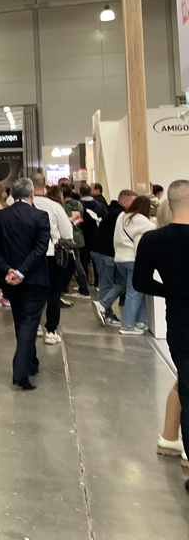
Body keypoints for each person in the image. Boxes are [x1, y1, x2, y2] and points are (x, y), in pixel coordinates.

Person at [133, 180, 189, 493]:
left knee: (185, 383)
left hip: (178, 321)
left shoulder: (153, 240)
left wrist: (172, 291)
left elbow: (141, 283)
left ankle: (173, 440)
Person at [0, 177, 51, 390]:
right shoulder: (40, 216)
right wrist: (21, 272)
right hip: (35, 278)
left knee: (20, 320)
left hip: (8, 279)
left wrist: (8, 269)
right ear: (32, 193)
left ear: (12, 194)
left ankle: (31, 362)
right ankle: (21, 373)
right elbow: (41, 249)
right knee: (29, 322)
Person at [32, 174, 74, 346]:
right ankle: (50, 330)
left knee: (33, 293)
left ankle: (34, 325)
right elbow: (67, 233)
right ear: (45, 186)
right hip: (51, 254)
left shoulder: (22, 206)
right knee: (53, 294)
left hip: (29, 256)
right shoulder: (55, 206)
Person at [93, 190, 138, 327]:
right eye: (134, 202)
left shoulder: (113, 211)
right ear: (124, 202)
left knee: (121, 282)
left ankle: (104, 306)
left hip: (106, 252)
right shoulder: (120, 215)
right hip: (105, 252)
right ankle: (106, 314)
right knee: (107, 284)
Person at [113, 195, 156, 335]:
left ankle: (140, 321)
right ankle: (127, 325)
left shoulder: (122, 216)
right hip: (132, 259)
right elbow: (156, 228)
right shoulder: (140, 219)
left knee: (138, 290)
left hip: (119, 258)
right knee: (134, 293)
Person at [60, 187, 91, 298]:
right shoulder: (79, 204)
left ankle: (83, 289)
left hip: (69, 238)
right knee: (77, 263)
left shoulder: (63, 207)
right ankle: (73, 288)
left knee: (74, 265)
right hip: (79, 236)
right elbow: (81, 219)